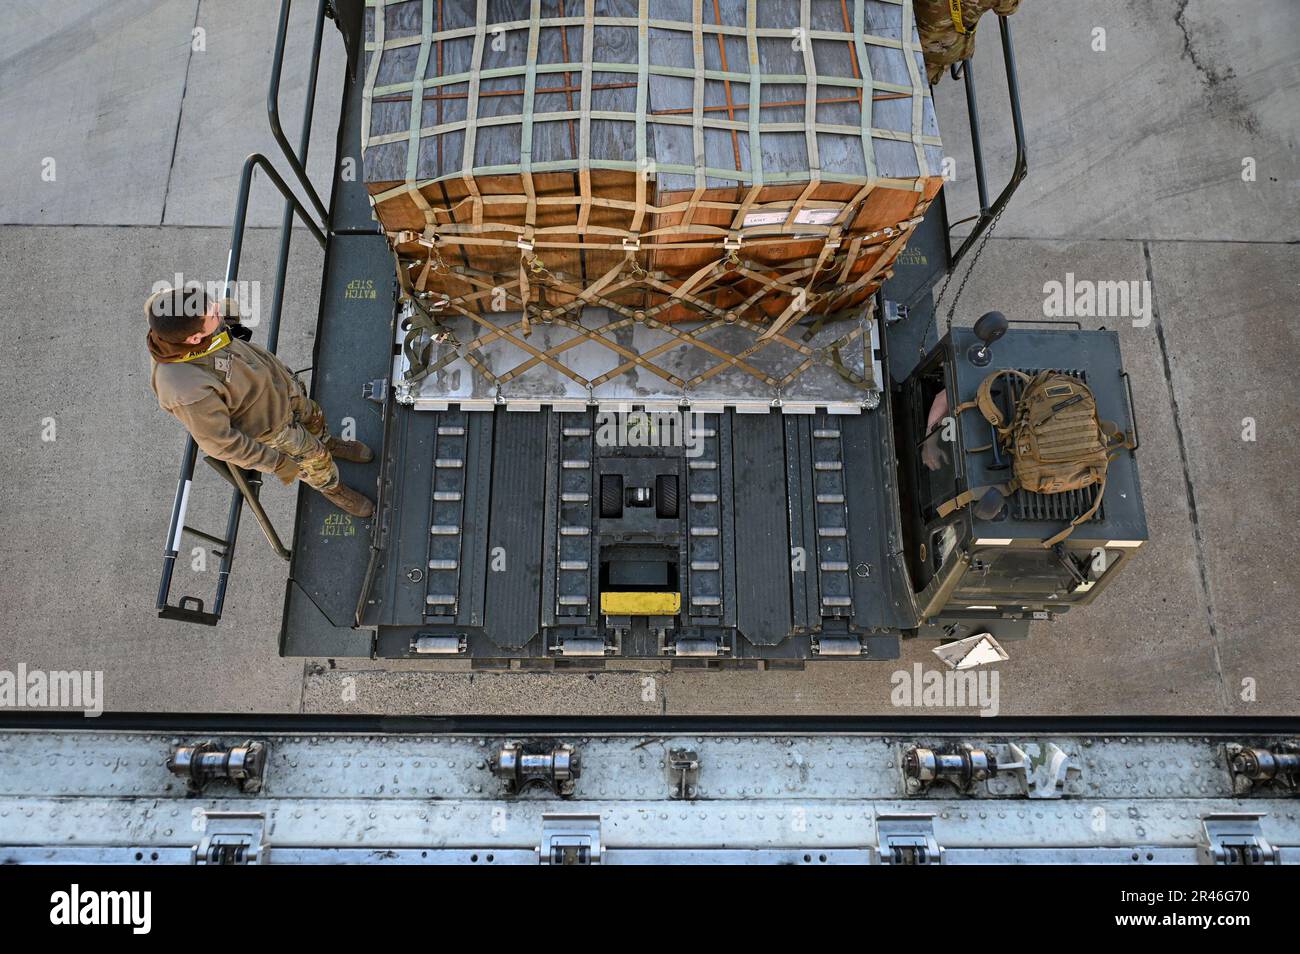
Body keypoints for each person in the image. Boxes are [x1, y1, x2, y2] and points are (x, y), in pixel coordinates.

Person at [145, 285, 374, 517]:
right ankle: (333, 489)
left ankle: (329, 442)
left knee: (314, 415)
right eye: (214, 314)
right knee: (315, 461)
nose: (218, 310)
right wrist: (275, 463)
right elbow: (221, 443)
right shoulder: (185, 388)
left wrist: (222, 315)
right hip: (273, 428)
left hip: (282, 387)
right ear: (195, 339)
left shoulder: (177, 314)